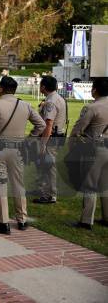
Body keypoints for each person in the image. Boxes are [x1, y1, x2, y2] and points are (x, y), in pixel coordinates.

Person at [0, 76, 45, 234]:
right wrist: (29, 138)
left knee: (1, 183)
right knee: (18, 183)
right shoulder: (25, 105)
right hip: (18, 149)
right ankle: (22, 219)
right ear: (14, 90)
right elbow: (41, 125)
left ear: (1, 88)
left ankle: (3, 222)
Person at [69, 77, 108, 230]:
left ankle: (86, 220)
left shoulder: (92, 107)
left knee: (90, 185)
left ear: (95, 90)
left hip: (95, 149)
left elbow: (79, 129)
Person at [34, 76, 67, 204]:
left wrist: (43, 143)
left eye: (41, 84)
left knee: (49, 166)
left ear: (43, 87)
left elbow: (48, 124)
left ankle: (49, 195)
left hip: (50, 138)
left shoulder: (51, 102)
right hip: (57, 136)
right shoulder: (58, 98)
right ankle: (44, 190)